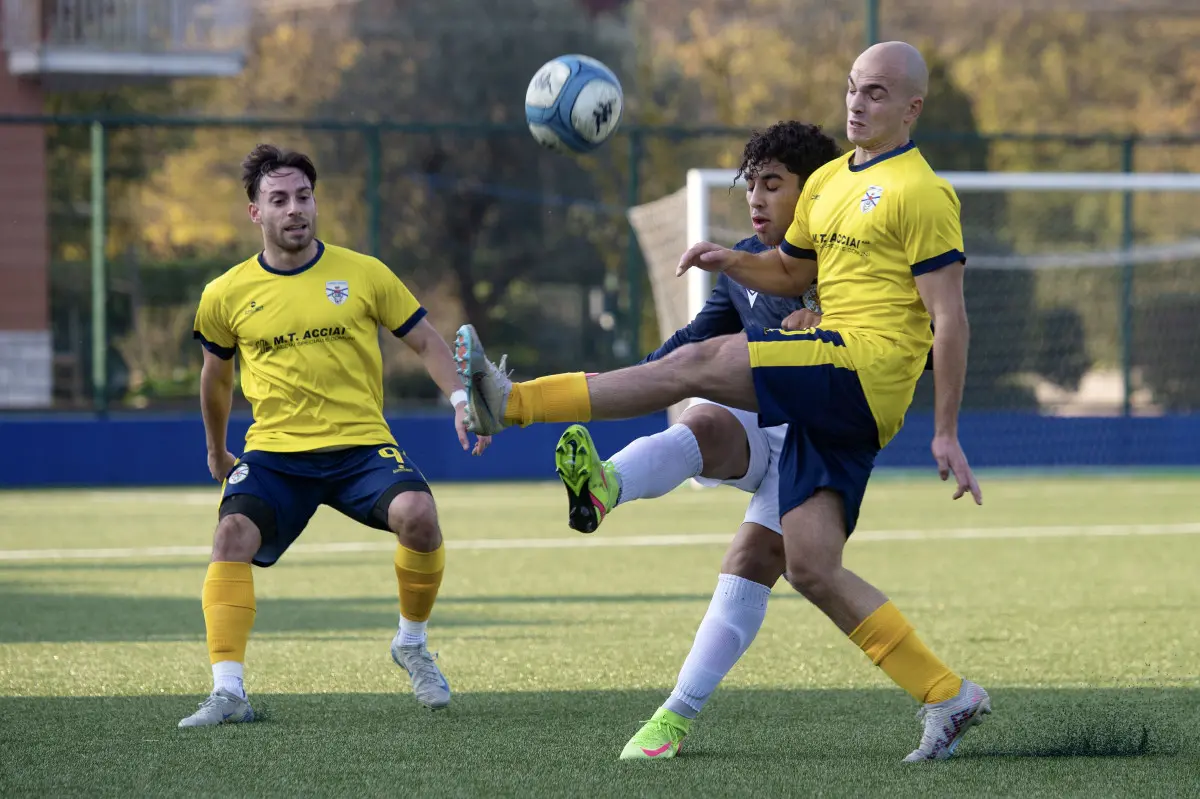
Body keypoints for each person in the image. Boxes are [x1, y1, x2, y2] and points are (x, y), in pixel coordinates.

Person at [455, 41, 990, 762]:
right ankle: (946, 694)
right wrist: (727, 258)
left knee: (698, 369)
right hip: (831, 398)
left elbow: (949, 316)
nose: (858, 104)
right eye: (852, 89)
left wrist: (946, 429)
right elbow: (790, 270)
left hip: (865, 368)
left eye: (877, 93)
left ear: (912, 107)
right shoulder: (831, 181)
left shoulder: (922, 192)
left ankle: (512, 403)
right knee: (810, 566)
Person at [551, 121, 841, 760]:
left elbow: (904, 337)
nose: (756, 198)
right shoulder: (745, 264)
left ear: (815, 191)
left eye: (774, 184)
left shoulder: (852, 261)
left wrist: (829, 322)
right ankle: (605, 485)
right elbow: (688, 347)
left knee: (751, 562)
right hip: (755, 421)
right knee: (702, 419)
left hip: (821, 444)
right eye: (751, 185)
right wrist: (625, 383)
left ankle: (672, 719)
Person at [180, 144, 490, 728]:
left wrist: (458, 400)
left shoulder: (364, 273)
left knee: (419, 515)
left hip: (360, 446)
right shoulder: (225, 293)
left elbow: (426, 341)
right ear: (255, 212)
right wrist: (215, 449)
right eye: (279, 200)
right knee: (231, 535)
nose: (294, 209)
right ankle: (228, 692)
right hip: (275, 453)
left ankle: (412, 644)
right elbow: (216, 378)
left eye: (303, 196)